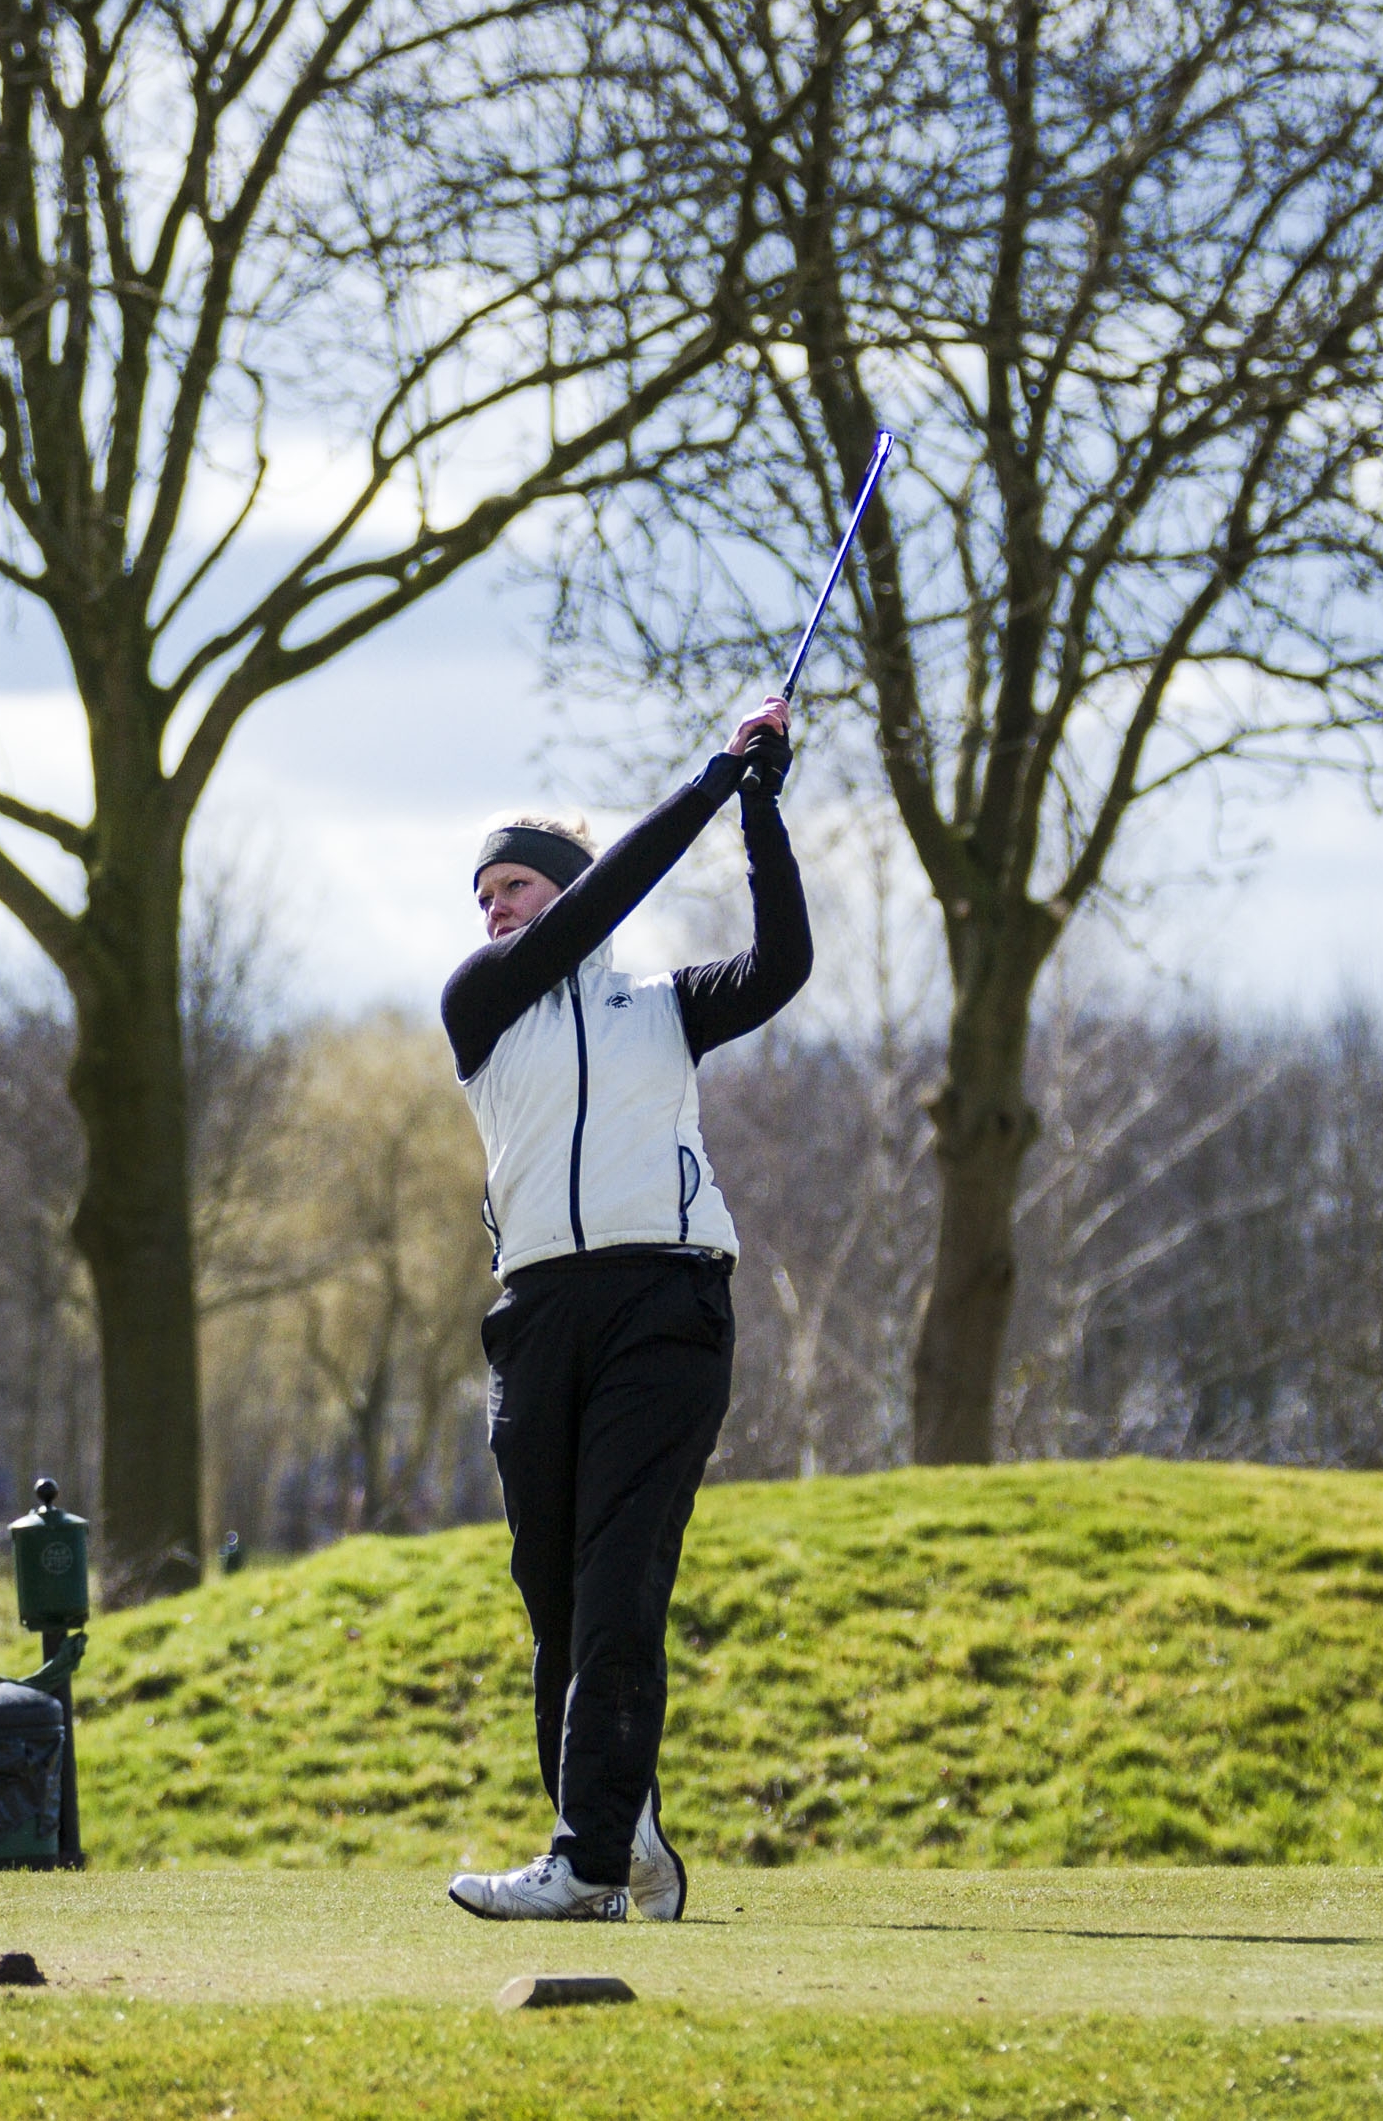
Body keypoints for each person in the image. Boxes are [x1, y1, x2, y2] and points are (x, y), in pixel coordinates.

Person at [442, 693, 811, 1921]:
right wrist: (708, 779)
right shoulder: (480, 1001)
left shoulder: (660, 1006)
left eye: (513, 886)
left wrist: (755, 811)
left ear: (558, 883)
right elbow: (593, 914)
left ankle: (587, 1860)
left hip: (665, 1305)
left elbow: (780, 967)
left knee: (614, 1590)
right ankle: (622, 1830)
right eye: (482, 894)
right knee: (554, 1601)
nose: (493, 909)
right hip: (536, 1317)